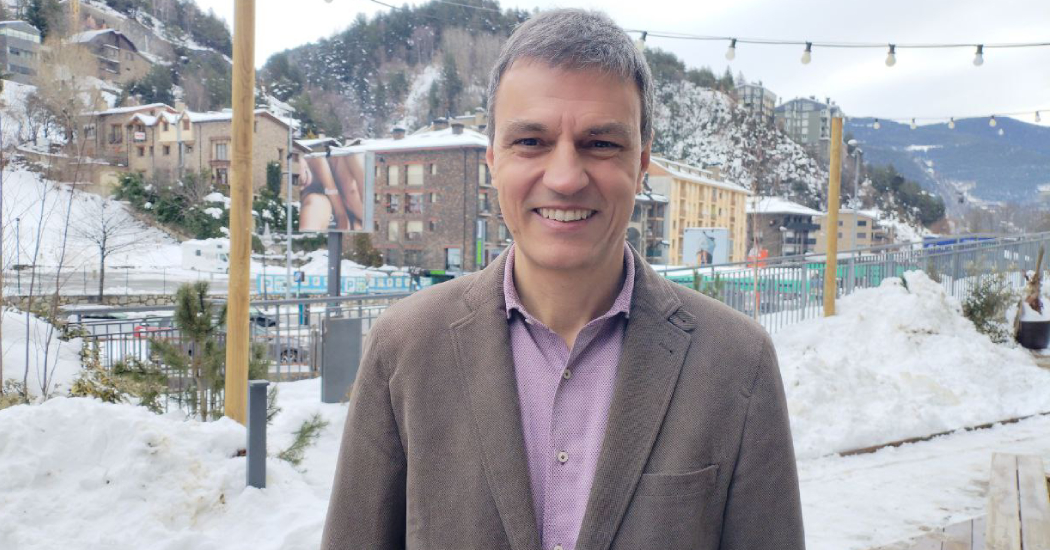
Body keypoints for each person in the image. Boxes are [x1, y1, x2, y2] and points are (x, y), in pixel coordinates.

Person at [322, 9, 804, 550]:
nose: (566, 177)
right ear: (493, 161)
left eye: (601, 144)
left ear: (641, 165)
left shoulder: (737, 362)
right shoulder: (405, 347)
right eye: (531, 141)